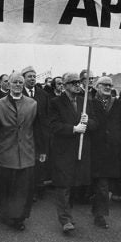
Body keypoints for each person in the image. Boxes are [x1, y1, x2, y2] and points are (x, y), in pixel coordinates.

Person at [0, 72, 45, 230]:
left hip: (26, 151)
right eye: (14, 82)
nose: (18, 85)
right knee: (6, 186)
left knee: (23, 188)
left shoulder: (32, 104)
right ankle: (5, 213)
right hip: (6, 151)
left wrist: (41, 150)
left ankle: (19, 217)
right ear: (8, 85)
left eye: (20, 82)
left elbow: (39, 128)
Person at [49, 72, 98, 233]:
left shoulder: (85, 102)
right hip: (63, 149)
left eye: (79, 82)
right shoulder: (55, 102)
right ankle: (65, 219)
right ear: (65, 85)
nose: (78, 85)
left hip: (80, 149)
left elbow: (95, 123)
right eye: (74, 82)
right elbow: (53, 125)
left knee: (72, 184)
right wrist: (73, 129)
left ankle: (68, 214)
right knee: (63, 185)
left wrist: (87, 122)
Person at [90, 76, 121, 228]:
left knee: (104, 184)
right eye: (104, 84)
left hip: (112, 149)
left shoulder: (118, 103)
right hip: (95, 148)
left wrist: (118, 139)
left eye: (110, 85)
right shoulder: (90, 103)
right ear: (97, 86)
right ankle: (98, 212)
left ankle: (99, 212)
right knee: (100, 184)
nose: (108, 87)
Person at [22, 66, 50, 198]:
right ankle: (26, 190)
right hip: (24, 133)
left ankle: (36, 189)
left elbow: (47, 116)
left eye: (34, 76)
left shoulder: (43, 94)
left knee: (38, 162)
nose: (32, 79)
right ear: (23, 78)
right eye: (29, 76)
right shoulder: (18, 92)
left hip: (39, 135)